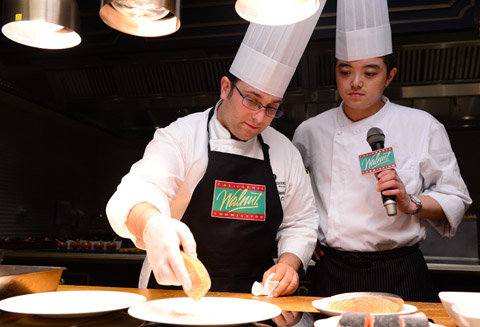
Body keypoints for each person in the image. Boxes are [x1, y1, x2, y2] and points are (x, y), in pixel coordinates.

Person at [106, 4, 326, 297]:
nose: (260, 117)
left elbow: (301, 221)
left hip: (256, 298)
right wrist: (152, 224)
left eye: (272, 107)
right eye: (251, 99)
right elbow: (139, 190)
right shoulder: (181, 136)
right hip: (175, 293)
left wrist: (289, 263)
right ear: (225, 87)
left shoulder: (284, 152)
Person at [292, 0, 472, 302]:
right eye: (345, 72)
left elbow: (456, 198)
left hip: (400, 269)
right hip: (331, 269)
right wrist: (307, 238)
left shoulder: (421, 125)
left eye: (370, 73)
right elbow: (292, 196)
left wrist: (409, 201)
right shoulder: (310, 131)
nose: (355, 83)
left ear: (390, 76)